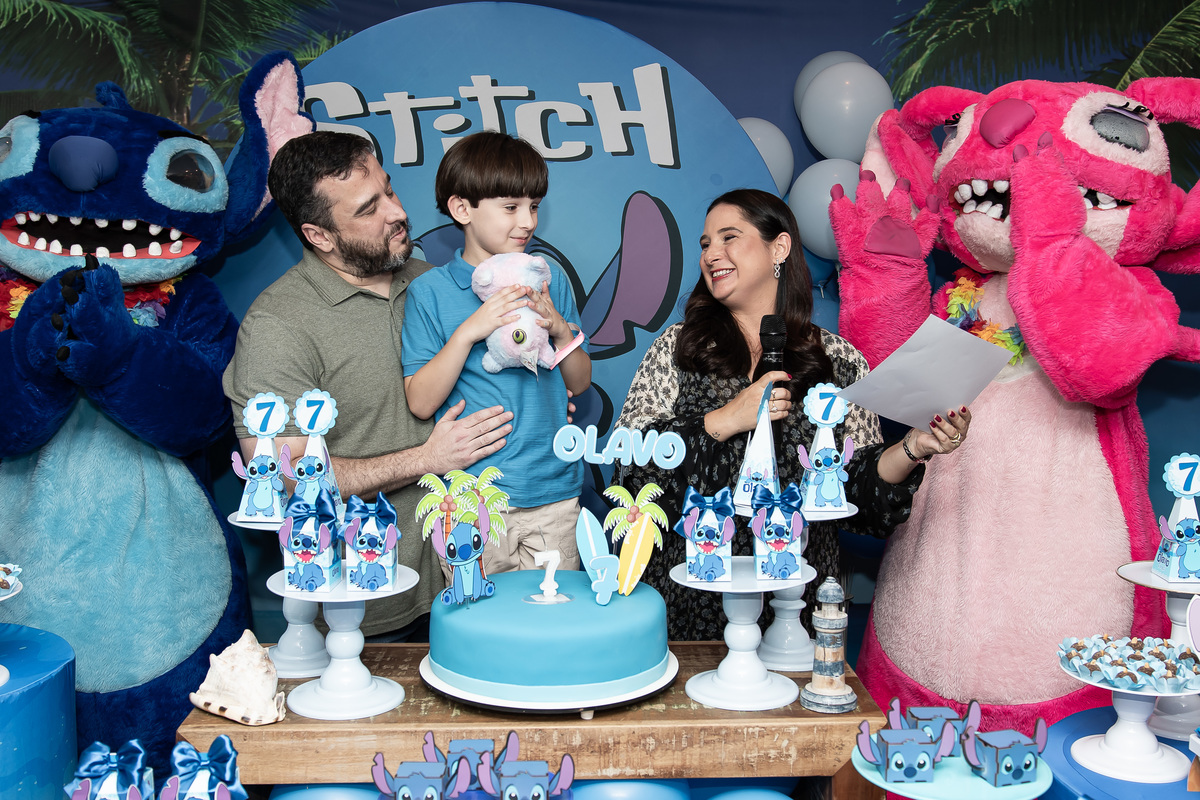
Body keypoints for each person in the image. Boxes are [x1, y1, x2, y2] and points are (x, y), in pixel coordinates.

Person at [612, 188, 971, 640]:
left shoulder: (839, 359)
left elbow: (856, 497)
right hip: (688, 605)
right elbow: (628, 471)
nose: (711, 254)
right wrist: (726, 419)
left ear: (779, 247)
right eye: (705, 243)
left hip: (795, 612)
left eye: (729, 237)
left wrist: (913, 447)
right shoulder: (676, 349)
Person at [223, 130, 514, 640]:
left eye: (389, 190)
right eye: (368, 209)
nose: (397, 212)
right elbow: (286, 473)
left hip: (477, 573)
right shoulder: (278, 325)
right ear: (319, 236)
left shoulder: (437, 283)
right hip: (371, 602)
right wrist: (426, 459)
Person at [402, 131, 591, 574]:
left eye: (534, 206)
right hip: (471, 498)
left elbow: (580, 382)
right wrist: (470, 331)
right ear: (461, 209)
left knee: (555, 609)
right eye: (511, 207)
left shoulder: (547, 278)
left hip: (554, 493)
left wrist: (559, 329)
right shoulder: (431, 291)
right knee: (478, 610)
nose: (527, 221)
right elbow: (421, 401)